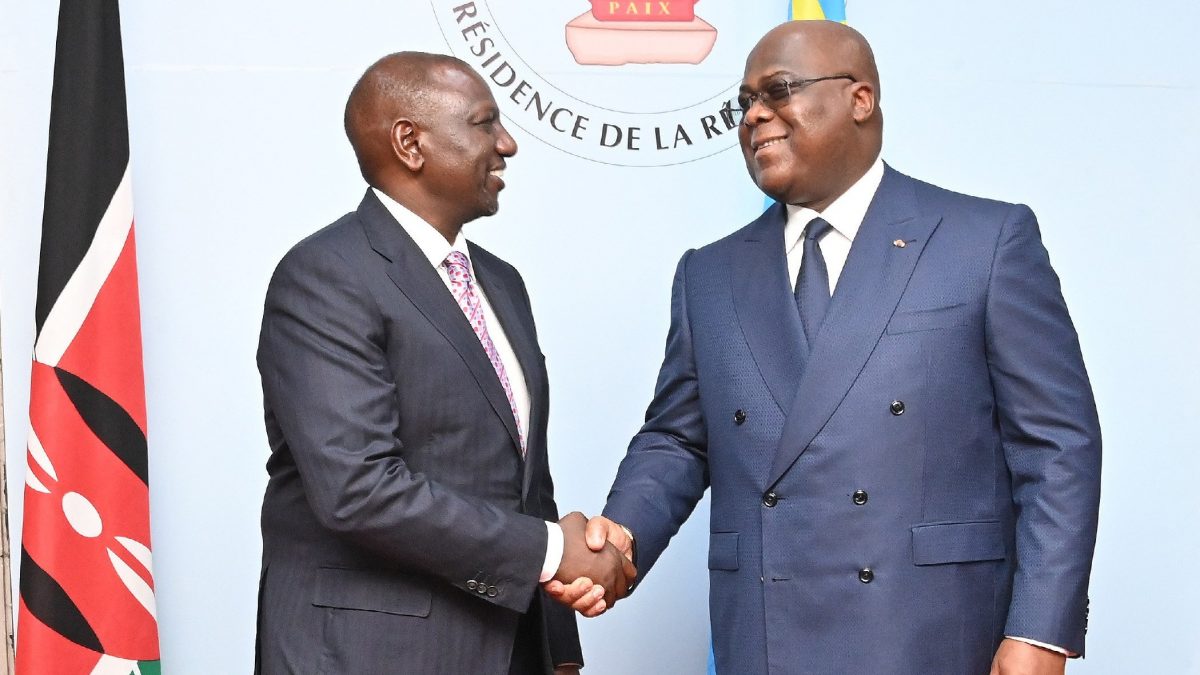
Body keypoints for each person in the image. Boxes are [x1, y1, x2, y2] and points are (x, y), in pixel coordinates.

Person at [549, 20, 1101, 675]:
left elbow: (1058, 444)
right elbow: (678, 438)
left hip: (934, 633)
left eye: (777, 90)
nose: (755, 115)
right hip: (766, 635)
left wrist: (1040, 629)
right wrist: (621, 538)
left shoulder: (985, 240)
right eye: (744, 102)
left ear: (859, 99)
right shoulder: (710, 272)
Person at [254, 52, 633, 675]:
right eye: (485, 123)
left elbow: (523, 482)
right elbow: (358, 489)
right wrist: (550, 552)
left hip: (507, 647)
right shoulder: (325, 276)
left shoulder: (501, 283)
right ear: (410, 142)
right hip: (371, 655)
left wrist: (557, 642)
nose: (507, 144)